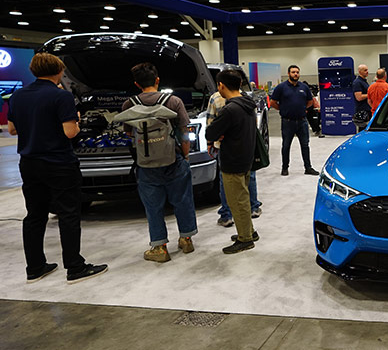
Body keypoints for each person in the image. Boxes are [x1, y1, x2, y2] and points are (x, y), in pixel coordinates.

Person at [7, 53, 108, 283]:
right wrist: (78, 121)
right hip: (59, 163)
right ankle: (75, 267)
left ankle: (35, 267)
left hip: (29, 163)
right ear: (59, 71)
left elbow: (12, 129)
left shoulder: (18, 96)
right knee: (68, 213)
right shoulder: (60, 97)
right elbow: (70, 132)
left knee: (34, 214)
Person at [120, 63, 198, 262]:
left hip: (146, 165)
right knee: (182, 200)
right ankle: (186, 239)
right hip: (174, 159)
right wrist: (186, 157)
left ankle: (160, 248)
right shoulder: (173, 101)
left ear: (137, 84)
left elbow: (129, 134)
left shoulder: (129, 104)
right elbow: (184, 132)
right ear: (157, 80)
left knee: (153, 206)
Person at [205, 70, 259, 254]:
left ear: (221, 85)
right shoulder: (247, 103)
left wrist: (218, 132)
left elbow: (210, 133)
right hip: (245, 157)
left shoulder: (229, 109)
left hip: (232, 159)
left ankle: (245, 239)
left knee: (237, 201)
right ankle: (249, 231)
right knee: (242, 197)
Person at [270, 65, 319, 176]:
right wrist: (282, 109)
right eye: (293, 72)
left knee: (305, 145)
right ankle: (285, 168)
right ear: (288, 74)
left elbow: (310, 101)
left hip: (302, 121)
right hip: (288, 122)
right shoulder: (281, 87)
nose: (295, 74)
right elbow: (273, 102)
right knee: (286, 145)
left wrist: (304, 109)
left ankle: (308, 168)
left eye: (297, 72)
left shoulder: (304, 87)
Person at [352, 64, 371, 129]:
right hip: (362, 111)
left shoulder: (364, 81)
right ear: (360, 72)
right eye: (365, 70)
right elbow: (359, 97)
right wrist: (370, 95)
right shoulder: (357, 82)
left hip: (367, 109)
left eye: (367, 70)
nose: (367, 71)